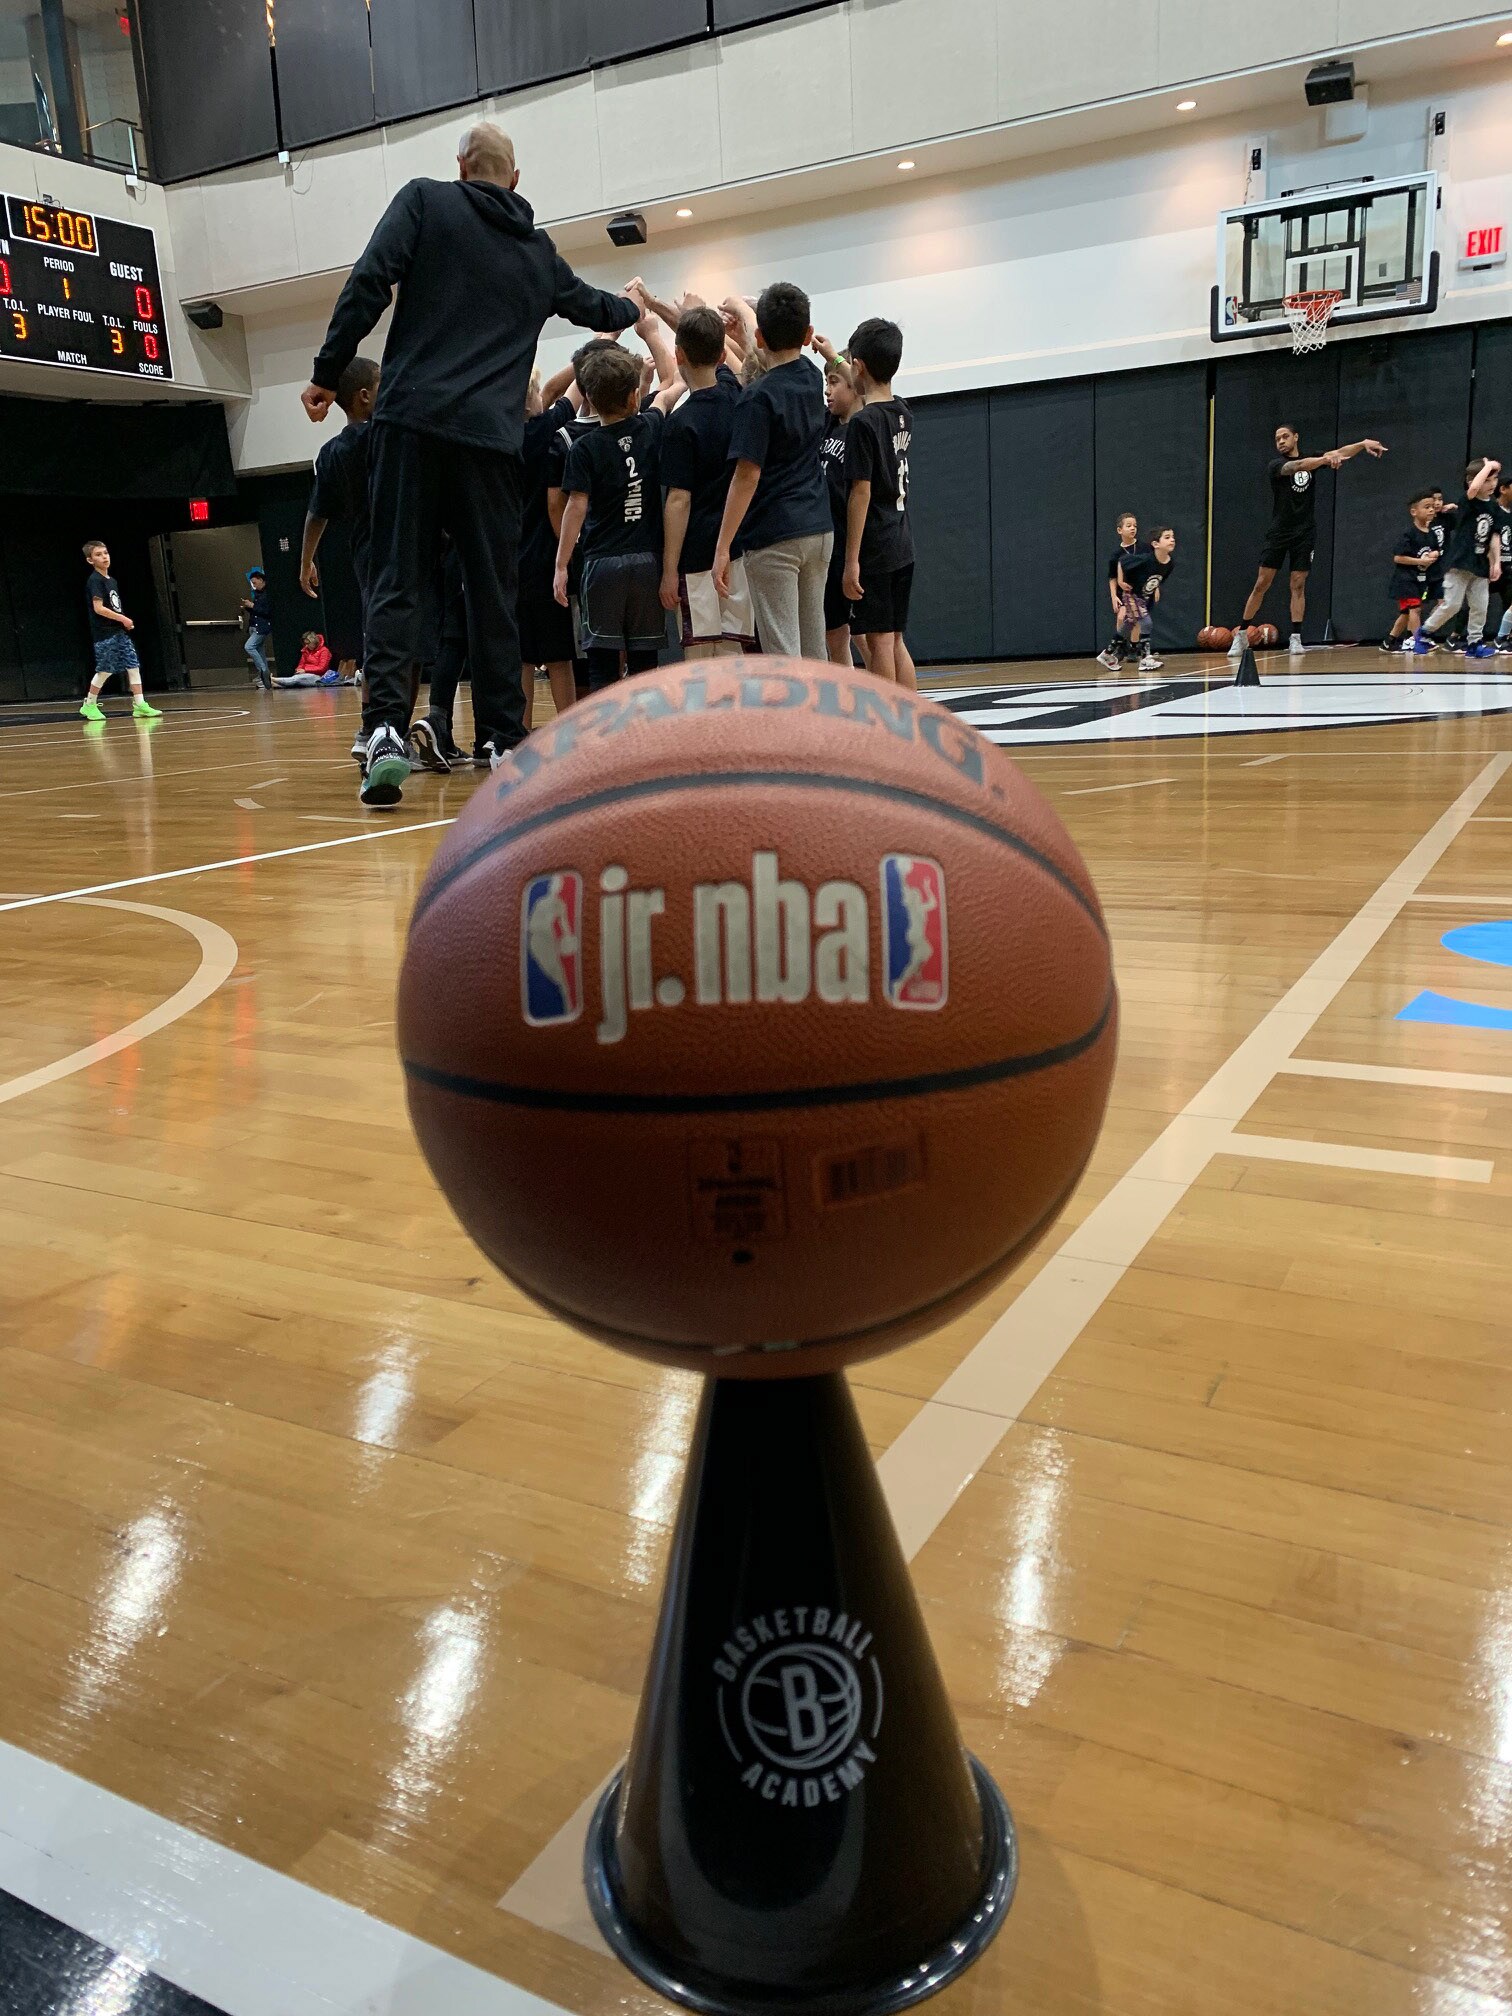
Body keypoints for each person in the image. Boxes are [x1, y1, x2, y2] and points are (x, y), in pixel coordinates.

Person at [301, 120, 639, 809]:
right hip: (490, 442)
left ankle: (387, 731)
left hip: (411, 425)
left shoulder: (425, 201)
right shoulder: (536, 250)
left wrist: (329, 370)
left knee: (399, 581)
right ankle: (504, 740)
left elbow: (369, 282)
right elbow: (593, 308)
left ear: (461, 168)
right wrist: (636, 305)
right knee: (492, 592)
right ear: (515, 180)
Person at [712, 281, 832, 661]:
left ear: (760, 337)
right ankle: (823, 722)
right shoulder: (814, 377)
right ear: (808, 334)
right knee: (815, 651)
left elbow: (746, 476)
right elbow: (778, 365)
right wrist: (748, 316)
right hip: (819, 528)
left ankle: (792, 724)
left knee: (783, 655)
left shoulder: (756, 397)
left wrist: (721, 546)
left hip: (774, 534)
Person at [553, 343, 676, 689]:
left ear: (588, 399)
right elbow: (670, 392)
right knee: (644, 664)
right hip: (647, 563)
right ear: (635, 397)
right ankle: (647, 738)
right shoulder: (650, 426)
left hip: (602, 565)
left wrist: (561, 566)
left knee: (602, 665)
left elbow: (575, 507)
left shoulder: (583, 448)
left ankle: (604, 741)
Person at [1232, 424, 1387, 658]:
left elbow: (1341, 452)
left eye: (1285, 437)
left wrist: (1363, 444)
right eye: (1277, 439)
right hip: (1279, 532)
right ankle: (1242, 634)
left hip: (1304, 533)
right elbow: (1299, 466)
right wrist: (1326, 459)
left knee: (1298, 583)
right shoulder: (1276, 465)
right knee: (1262, 583)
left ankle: (1296, 637)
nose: (1281, 441)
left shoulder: (1314, 457)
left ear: (1296, 437)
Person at [659, 304, 751, 661]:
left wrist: (669, 570)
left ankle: (708, 721)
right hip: (739, 548)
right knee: (734, 652)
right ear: (723, 353)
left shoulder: (680, 423)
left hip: (698, 553)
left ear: (678, 354)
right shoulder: (739, 397)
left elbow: (678, 501)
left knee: (701, 660)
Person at [300, 354, 379, 749]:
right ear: (365, 396)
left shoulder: (331, 452)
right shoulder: (388, 436)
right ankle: (384, 731)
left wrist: (305, 563)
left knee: (377, 640)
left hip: (365, 552)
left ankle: (371, 730)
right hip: (401, 544)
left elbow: (317, 514)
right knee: (403, 648)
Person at [842, 316, 915, 688]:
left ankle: (891, 729)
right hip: (903, 543)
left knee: (879, 642)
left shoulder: (862, 423)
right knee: (897, 640)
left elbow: (861, 492)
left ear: (859, 366)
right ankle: (914, 723)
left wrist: (851, 559)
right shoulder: (903, 412)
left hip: (875, 547)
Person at [1416, 457, 1502, 658]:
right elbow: (1473, 490)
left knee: (1480, 606)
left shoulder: (1494, 508)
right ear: (1473, 480)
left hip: (1479, 563)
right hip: (1460, 561)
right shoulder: (1468, 501)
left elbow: (1494, 536)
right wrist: (1488, 465)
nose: (1493, 484)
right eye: (1488, 480)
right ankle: (1425, 633)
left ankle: (1474, 643)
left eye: (1495, 479)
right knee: (1452, 604)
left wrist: (1495, 562)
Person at [815, 339, 862, 666]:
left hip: (854, 549)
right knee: (835, 636)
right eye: (825, 383)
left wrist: (833, 356)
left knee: (866, 637)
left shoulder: (863, 426)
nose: (827, 391)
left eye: (834, 382)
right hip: (828, 548)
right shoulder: (829, 424)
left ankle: (890, 703)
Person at [78, 540, 160, 722]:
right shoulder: (95, 581)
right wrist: (123, 618)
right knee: (105, 669)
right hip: (104, 633)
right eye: (98, 555)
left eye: (105, 553)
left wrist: (122, 622)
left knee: (133, 664)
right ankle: (89, 704)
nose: (104, 557)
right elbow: (98, 608)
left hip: (118, 632)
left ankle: (140, 704)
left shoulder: (111, 580)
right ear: (90, 560)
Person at [1381, 493, 1440, 653]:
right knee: (1415, 609)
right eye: (1426, 507)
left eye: (1432, 507)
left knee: (1406, 613)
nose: (1430, 510)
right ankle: (1418, 641)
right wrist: (1420, 561)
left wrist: (1435, 554)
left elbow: (1435, 550)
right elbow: (1398, 558)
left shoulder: (1432, 533)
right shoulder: (1409, 533)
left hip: (1420, 579)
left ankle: (1389, 641)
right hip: (1405, 580)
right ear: (1414, 511)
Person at [1116, 527, 1177, 673]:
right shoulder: (1146, 558)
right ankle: (1145, 658)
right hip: (1131, 593)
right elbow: (1122, 561)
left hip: (1144, 595)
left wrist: (1155, 588)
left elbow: (1156, 578)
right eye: (1167, 537)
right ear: (1156, 544)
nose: (1172, 540)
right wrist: (1120, 581)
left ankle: (1109, 652)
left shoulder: (1169, 563)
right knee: (1146, 622)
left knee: (1129, 623)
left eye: (1173, 537)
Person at [1098, 512, 1140, 670]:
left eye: (1135, 526)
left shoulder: (1142, 548)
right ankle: (1121, 647)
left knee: (1135, 617)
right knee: (1122, 617)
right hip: (1125, 592)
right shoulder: (1116, 555)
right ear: (1119, 530)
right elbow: (1112, 577)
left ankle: (1134, 648)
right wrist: (1114, 596)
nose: (1133, 528)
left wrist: (1155, 587)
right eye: (1129, 526)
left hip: (1140, 590)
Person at [241, 569, 273, 687]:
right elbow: (258, 610)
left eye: (254, 583)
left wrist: (253, 606)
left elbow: (267, 612)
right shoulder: (259, 594)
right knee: (260, 652)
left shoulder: (267, 594)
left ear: (261, 580)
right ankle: (264, 679)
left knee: (249, 646)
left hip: (262, 627)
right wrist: (249, 607)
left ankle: (263, 671)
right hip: (255, 625)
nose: (254, 586)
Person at [273, 632, 338, 687]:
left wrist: (305, 670)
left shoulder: (324, 651)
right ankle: (279, 685)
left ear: (314, 642)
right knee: (297, 679)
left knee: (297, 679)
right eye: (305, 644)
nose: (306, 646)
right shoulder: (306, 651)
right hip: (305, 674)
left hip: (319, 676)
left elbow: (322, 668)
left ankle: (274, 680)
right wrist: (298, 670)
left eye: (308, 643)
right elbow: (301, 663)